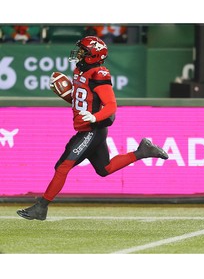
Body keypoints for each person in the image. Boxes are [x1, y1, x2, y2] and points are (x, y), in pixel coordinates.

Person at [17, 36, 169, 221]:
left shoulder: (99, 74)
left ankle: (41, 207)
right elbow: (83, 101)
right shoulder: (80, 69)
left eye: (83, 51)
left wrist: (95, 117)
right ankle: (143, 151)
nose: (79, 53)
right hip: (88, 128)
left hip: (92, 129)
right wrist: (66, 95)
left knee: (62, 167)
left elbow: (111, 106)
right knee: (104, 169)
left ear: (93, 55)